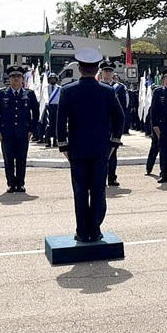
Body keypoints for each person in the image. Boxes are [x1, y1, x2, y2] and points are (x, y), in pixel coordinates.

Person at [56, 48, 125, 242]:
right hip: (100, 148)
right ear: (96, 70)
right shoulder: (108, 90)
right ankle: (95, 229)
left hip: (77, 149)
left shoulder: (68, 90)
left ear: (79, 68)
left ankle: (81, 230)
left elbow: (60, 121)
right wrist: (114, 142)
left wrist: (63, 146)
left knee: (80, 191)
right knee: (97, 190)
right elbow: (120, 119)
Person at [0, 65, 40, 194]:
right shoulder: (2, 94)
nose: (16, 79)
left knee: (21, 159)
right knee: (8, 159)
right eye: (13, 76)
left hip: (23, 133)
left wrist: (32, 130)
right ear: (9, 78)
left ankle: (20, 183)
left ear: (22, 78)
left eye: (18, 76)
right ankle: (11, 184)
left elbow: (36, 113)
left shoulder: (29, 94)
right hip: (6, 133)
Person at [99, 61, 128, 187]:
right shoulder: (97, 86)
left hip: (113, 124)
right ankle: (100, 177)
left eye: (110, 71)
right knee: (99, 153)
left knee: (113, 152)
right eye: (106, 71)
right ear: (101, 72)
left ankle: (112, 177)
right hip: (100, 125)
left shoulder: (120, 87)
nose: (108, 73)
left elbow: (125, 106)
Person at [43, 73, 61, 148]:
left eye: (54, 79)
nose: (52, 80)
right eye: (51, 79)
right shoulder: (45, 88)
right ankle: (48, 141)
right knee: (48, 124)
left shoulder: (59, 88)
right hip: (48, 107)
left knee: (56, 124)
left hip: (57, 107)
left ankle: (55, 141)